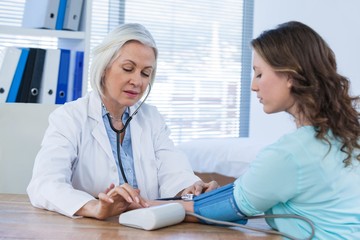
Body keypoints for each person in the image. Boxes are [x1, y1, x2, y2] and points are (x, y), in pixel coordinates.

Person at [151, 21, 360, 239]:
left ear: (290, 76)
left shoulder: (290, 153)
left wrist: (143, 205)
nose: (253, 86)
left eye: (259, 74)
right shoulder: (348, 136)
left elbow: (220, 208)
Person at [27, 23, 218, 220]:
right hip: (91, 231)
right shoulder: (69, 117)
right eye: (128, 69)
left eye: (146, 73)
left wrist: (192, 189)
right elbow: (44, 184)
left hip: (147, 227)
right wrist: (95, 207)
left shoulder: (151, 119)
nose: (138, 81)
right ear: (104, 67)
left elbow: (174, 172)